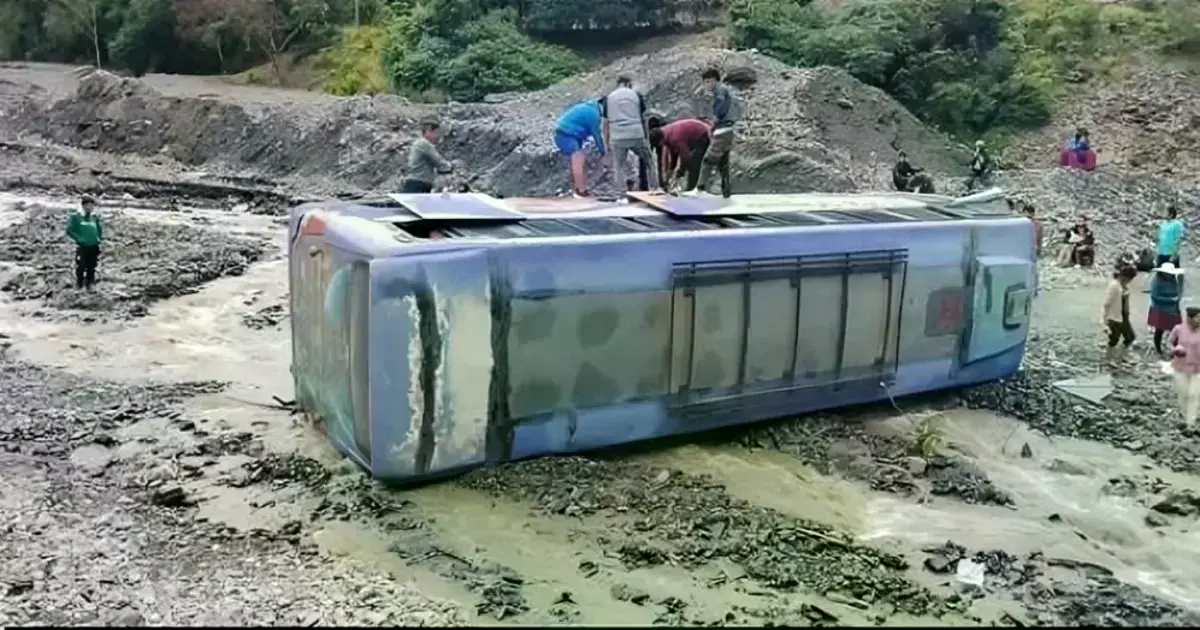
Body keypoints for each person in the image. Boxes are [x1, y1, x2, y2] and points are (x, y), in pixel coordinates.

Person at [683, 68, 739, 198]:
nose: (706, 85)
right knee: (723, 163)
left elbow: (720, 106)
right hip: (728, 130)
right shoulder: (724, 90)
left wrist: (715, 119)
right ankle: (726, 191)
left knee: (709, 160)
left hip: (722, 130)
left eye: (708, 82)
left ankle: (700, 188)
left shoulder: (720, 90)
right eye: (705, 82)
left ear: (714, 80)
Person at [600, 76, 659, 193]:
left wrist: (606, 142)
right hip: (636, 134)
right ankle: (655, 188)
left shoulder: (609, 98)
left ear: (618, 84)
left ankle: (621, 194)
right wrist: (646, 137)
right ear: (628, 84)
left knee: (618, 167)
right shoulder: (636, 95)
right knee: (649, 162)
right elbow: (643, 119)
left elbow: (606, 123)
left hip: (617, 137)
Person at [555, 99, 607, 198]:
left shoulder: (588, 108)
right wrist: (603, 153)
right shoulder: (593, 114)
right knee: (578, 159)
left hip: (569, 133)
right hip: (566, 134)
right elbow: (597, 135)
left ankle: (580, 188)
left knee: (580, 160)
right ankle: (579, 191)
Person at [650, 117, 712, 193]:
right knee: (690, 162)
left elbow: (686, 157)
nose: (659, 147)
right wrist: (671, 172)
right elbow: (674, 155)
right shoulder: (665, 134)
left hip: (704, 133)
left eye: (658, 145)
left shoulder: (675, 138)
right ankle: (692, 187)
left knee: (694, 163)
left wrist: (679, 173)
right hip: (693, 137)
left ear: (660, 140)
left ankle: (692, 189)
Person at [402, 119, 453, 193]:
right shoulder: (424, 144)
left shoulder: (419, 143)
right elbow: (438, 161)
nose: (438, 136)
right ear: (428, 131)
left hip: (417, 183)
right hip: (417, 184)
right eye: (436, 133)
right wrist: (450, 167)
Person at [1149, 262, 1185, 357]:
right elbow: (1154, 296)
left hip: (1173, 309)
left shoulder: (1173, 279)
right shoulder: (1156, 281)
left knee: (1177, 330)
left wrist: (1176, 304)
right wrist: (1170, 300)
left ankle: (1175, 350)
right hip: (1160, 309)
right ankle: (1158, 349)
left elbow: (1178, 290)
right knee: (1159, 330)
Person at [1104, 266, 1138, 367]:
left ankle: (1120, 357)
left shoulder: (1123, 286)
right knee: (1114, 339)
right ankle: (1109, 359)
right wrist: (1105, 319)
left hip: (1123, 316)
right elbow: (1107, 303)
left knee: (1130, 337)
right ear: (1124, 277)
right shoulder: (1114, 286)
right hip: (1114, 316)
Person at [66, 195, 103, 290]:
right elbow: (69, 230)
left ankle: (90, 283)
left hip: (94, 246)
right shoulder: (76, 217)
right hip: (83, 246)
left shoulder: (94, 217)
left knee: (92, 266)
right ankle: (79, 284)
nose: (91, 207)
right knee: (81, 265)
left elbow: (99, 229)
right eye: (89, 205)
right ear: (83, 205)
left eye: (92, 205)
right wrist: (79, 239)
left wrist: (98, 239)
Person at [1156, 204, 1185, 268]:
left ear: (1171, 214)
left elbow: (1178, 240)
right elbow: (1159, 238)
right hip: (1161, 253)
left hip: (1171, 254)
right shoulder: (1163, 224)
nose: (1164, 213)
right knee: (1160, 274)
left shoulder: (1177, 224)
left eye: (1165, 212)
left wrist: (1174, 254)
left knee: (1171, 275)